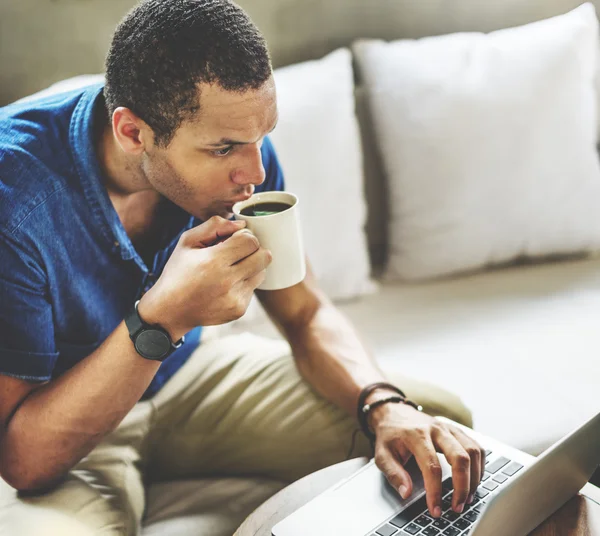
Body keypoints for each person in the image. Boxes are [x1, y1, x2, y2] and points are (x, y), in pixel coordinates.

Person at [0, 0, 484, 534]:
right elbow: (22, 458)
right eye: (225, 147)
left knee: (437, 431)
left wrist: (382, 403)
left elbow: (303, 311)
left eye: (261, 137)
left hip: (188, 380)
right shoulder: (14, 200)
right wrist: (161, 320)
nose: (254, 171)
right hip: (73, 426)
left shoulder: (244, 154)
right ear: (133, 133)